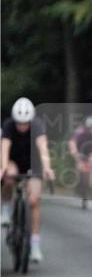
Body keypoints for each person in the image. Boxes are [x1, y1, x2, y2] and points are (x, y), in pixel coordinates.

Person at [1, 98, 55, 262]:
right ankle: (5, 209)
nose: (22, 126)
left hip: (33, 163)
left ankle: (35, 245)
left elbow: (43, 148)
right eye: (19, 123)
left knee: (33, 201)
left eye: (25, 123)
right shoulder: (9, 125)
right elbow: (4, 148)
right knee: (9, 176)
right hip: (14, 161)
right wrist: (3, 167)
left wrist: (47, 168)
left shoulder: (37, 125)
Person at [68, 115, 92, 200]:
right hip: (80, 150)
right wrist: (75, 154)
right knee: (79, 166)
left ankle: (90, 187)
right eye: (86, 128)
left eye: (90, 128)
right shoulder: (79, 131)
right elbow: (72, 143)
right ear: (84, 126)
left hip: (90, 151)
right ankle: (78, 185)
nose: (88, 130)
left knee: (91, 167)